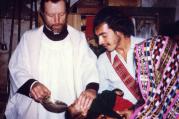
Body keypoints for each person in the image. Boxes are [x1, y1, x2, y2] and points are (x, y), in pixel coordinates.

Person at [5, 0, 99, 119]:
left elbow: (89, 67)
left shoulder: (78, 39)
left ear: (67, 12)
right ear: (42, 14)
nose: (57, 20)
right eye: (50, 15)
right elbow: (17, 68)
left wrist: (91, 89)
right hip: (35, 111)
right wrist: (32, 85)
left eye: (61, 14)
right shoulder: (29, 39)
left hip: (70, 108)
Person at [94, 7, 179, 119]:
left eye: (104, 36)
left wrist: (136, 110)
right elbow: (103, 96)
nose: (100, 42)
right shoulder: (103, 60)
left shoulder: (148, 50)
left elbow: (165, 90)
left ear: (118, 30)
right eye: (98, 37)